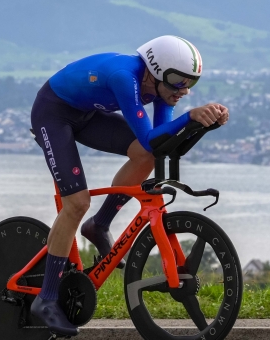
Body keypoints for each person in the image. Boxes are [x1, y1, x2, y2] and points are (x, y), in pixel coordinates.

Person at [28, 35, 229, 336]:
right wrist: (190, 116)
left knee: (145, 155)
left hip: (86, 115)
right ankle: (47, 298)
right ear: (154, 70)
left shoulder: (163, 88)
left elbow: (158, 141)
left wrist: (201, 123)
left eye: (190, 83)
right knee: (77, 204)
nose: (184, 90)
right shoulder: (126, 78)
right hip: (53, 113)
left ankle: (100, 224)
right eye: (178, 81)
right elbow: (151, 136)